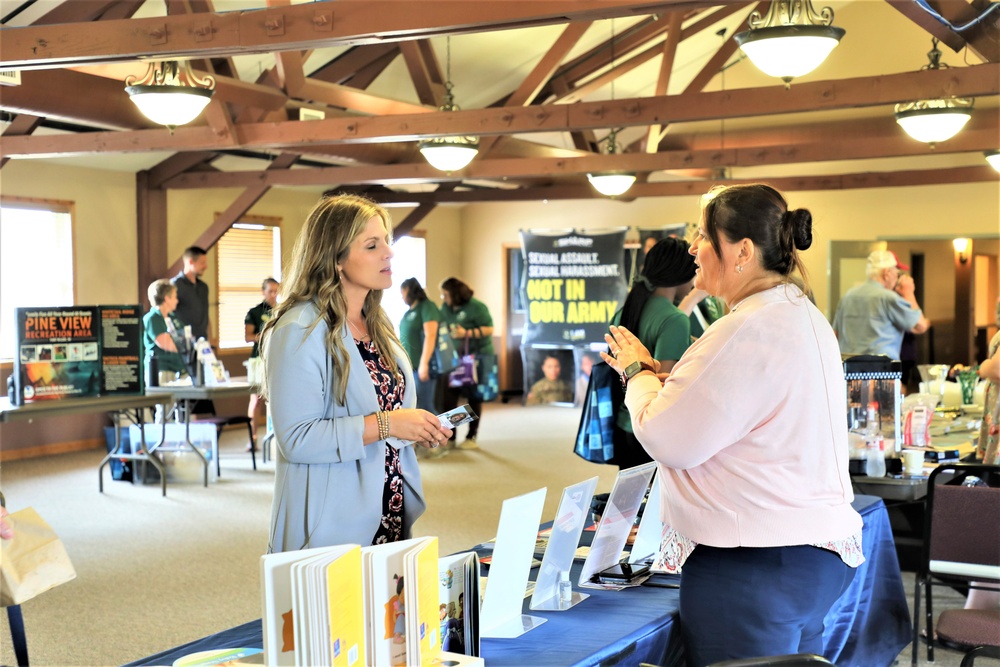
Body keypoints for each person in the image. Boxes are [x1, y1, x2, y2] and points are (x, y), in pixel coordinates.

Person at [602, 184, 862, 664]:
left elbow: (665, 437)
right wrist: (667, 374)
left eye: (703, 236)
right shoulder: (797, 313)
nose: (693, 249)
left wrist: (636, 372)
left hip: (755, 568)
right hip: (809, 557)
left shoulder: (745, 326)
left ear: (742, 251)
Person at [260, 194, 452, 553]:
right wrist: (389, 424)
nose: (389, 253)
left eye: (388, 242)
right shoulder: (298, 328)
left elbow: (386, 414)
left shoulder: (377, 323)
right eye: (372, 244)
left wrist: (414, 428)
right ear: (336, 260)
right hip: (329, 524)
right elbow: (297, 438)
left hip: (386, 513)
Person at [610, 237, 697, 469]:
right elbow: (662, 388)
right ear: (681, 275)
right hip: (648, 429)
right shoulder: (675, 319)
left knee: (630, 501)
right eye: (694, 272)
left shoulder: (624, 311)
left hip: (621, 423)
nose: (694, 282)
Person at [832, 250, 930, 359]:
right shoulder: (889, 298)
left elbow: (835, 334)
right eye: (897, 274)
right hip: (881, 370)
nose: (897, 278)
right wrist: (908, 293)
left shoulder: (847, 296)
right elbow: (920, 326)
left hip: (849, 370)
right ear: (887, 273)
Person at [439, 277, 494, 450]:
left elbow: (489, 329)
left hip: (477, 357)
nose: (443, 298)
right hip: (455, 357)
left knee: (473, 397)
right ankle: (451, 436)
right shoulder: (446, 308)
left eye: (445, 294)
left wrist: (467, 333)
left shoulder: (476, 306)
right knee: (450, 397)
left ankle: (471, 435)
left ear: (455, 294)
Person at [399, 277, 442, 414]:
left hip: (422, 367)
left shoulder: (427, 306)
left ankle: (442, 433)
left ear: (409, 290)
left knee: (425, 407)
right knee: (415, 407)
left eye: (403, 292)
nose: (402, 297)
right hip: (410, 367)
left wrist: (424, 364)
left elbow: (431, 335)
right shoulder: (410, 311)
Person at [245, 278, 279, 446]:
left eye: (276, 291)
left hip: (277, 358)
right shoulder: (255, 312)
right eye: (270, 291)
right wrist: (266, 337)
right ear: (263, 291)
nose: (274, 295)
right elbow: (248, 336)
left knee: (276, 398)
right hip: (258, 359)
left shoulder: (282, 310)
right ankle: (253, 438)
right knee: (256, 399)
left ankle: (276, 437)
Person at [142, 279, 189, 380]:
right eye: (175, 297)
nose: (177, 301)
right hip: (162, 371)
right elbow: (169, 344)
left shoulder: (174, 318)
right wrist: (185, 343)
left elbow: (189, 339)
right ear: (167, 298)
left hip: (180, 371)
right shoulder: (152, 318)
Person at [171, 246, 211, 342]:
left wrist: (210, 342)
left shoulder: (203, 287)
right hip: (183, 344)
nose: (206, 266)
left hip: (203, 343)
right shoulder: (174, 285)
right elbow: (168, 316)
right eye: (202, 263)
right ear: (190, 262)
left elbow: (206, 317)